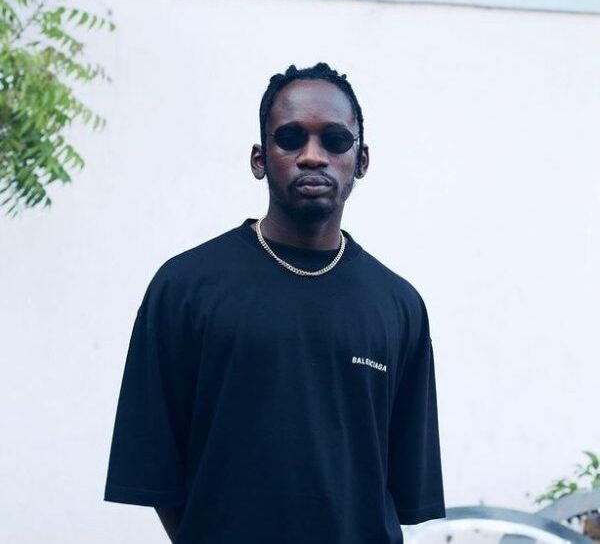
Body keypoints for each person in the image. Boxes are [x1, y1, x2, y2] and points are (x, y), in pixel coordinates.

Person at [103, 62, 446, 544]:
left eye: (335, 140)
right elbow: (155, 468)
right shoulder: (184, 289)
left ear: (361, 160)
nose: (312, 156)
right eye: (290, 138)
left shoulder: (398, 305)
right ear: (259, 159)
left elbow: (401, 485)